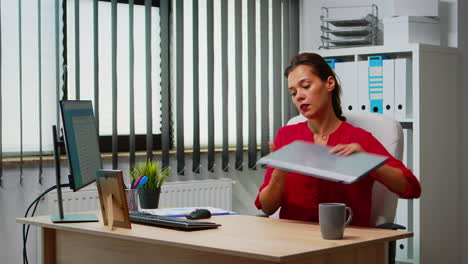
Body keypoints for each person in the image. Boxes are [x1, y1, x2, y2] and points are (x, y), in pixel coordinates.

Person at [255, 53, 421, 227]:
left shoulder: (359, 139)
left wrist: (369, 162)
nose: (299, 96)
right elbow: (267, 208)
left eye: (306, 86)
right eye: (293, 92)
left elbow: (411, 188)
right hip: (294, 242)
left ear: (329, 83)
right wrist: (278, 175)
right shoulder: (286, 135)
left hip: (344, 243)